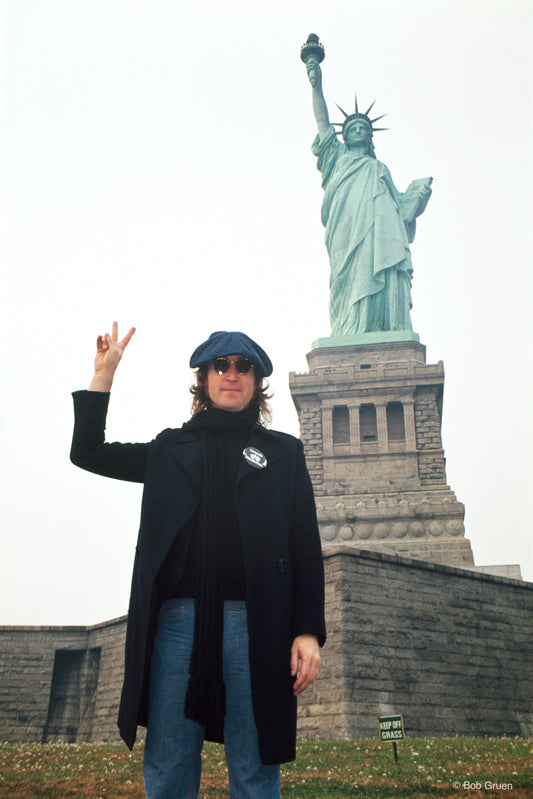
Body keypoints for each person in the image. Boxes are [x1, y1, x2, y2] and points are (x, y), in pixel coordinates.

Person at [70, 322, 326, 799]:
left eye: (243, 366)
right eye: (220, 365)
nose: (232, 374)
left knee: (254, 770)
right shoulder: (170, 449)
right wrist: (103, 377)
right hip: (177, 624)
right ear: (204, 379)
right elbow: (87, 452)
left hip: (258, 627)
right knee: (168, 768)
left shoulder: (283, 454)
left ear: (256, 381)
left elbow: (304, 548)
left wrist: (308, 631)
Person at [306, 57, 432, 336]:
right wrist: (316, 83)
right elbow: (322, 121)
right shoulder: (337, 158)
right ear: (346, 137)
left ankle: (377, 323)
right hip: (346, 228)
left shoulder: (379, 168)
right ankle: (349, 328)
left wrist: (416, 200)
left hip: (379, 233)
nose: (358, 131)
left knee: (378, 266)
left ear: (370, 137)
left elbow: (399, 210)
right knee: (346, 278)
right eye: (352, 129)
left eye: (363, 128)